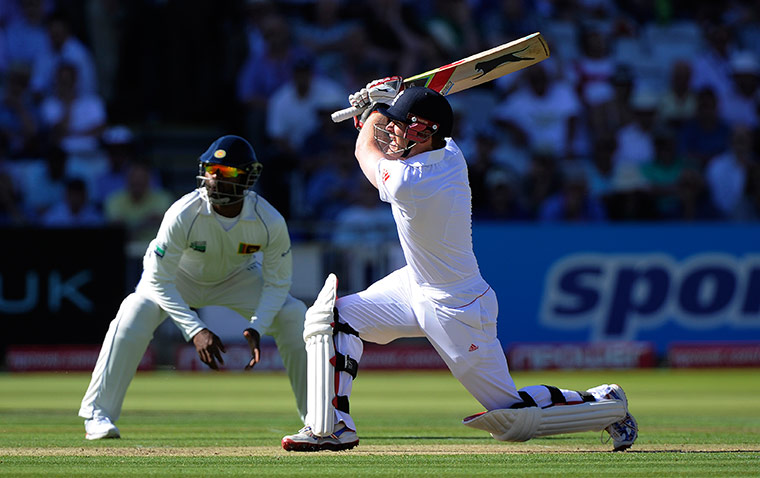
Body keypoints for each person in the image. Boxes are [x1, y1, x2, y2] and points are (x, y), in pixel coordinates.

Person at [281, 81, 638, 452]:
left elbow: (364, 150)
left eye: (399, 125)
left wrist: (372, 110)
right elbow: (397, 131)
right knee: (333, 318)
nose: (392, 130)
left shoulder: (411, 182)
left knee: (511, 416)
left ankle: (606, 404)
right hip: (414, 285)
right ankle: (333, 426)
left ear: (421, 132)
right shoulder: (450, 151)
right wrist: (388, 103)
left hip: (457, 305)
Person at [79, 135, 307, 440]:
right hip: (177, 279)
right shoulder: (183, 212)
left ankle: (317, 419)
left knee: (294, 314)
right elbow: (158, 278)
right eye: (211, 171)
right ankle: (98, 413)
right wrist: (195, 329)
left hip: (237, 278)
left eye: (224, 173)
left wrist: (258, 326)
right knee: (135, 309)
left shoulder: (268, 220)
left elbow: (279, 282)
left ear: (246, 178)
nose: (213, 180)